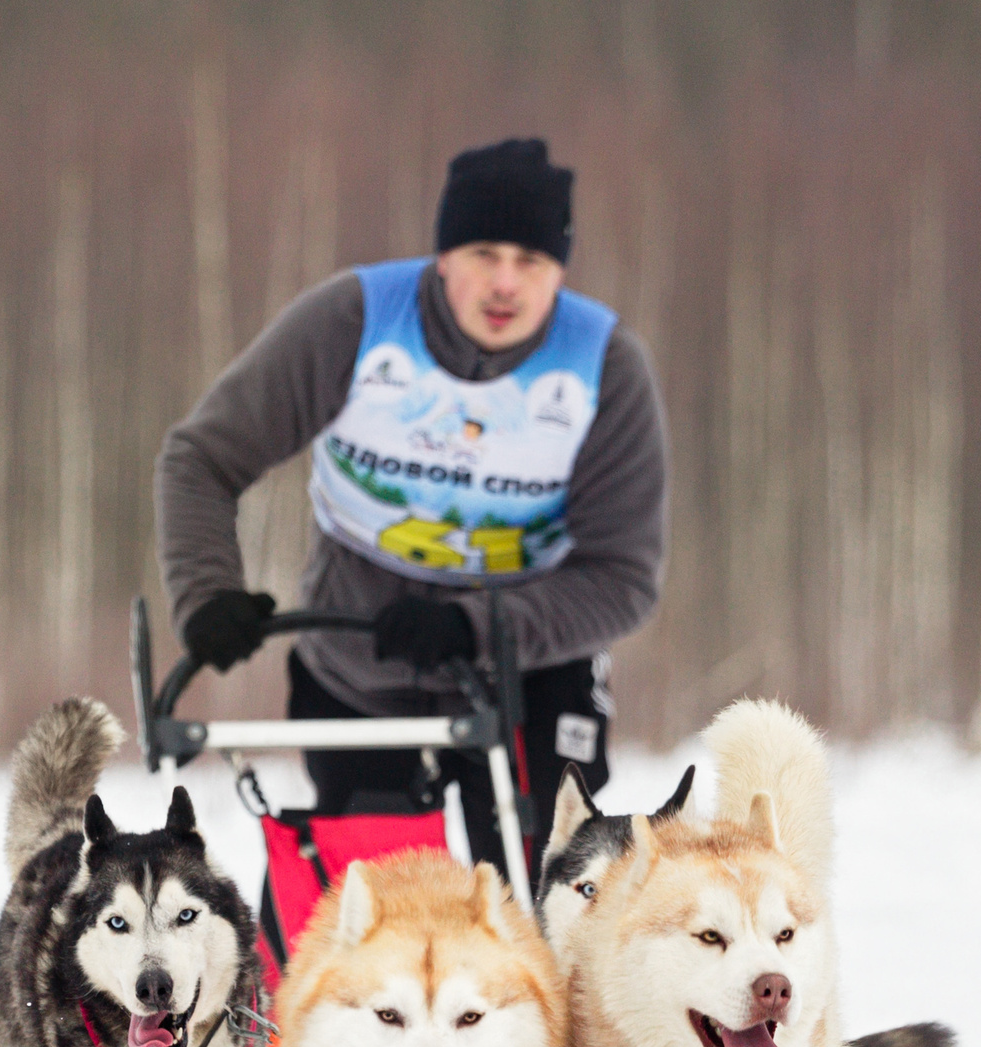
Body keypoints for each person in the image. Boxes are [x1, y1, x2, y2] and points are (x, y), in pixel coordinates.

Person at [158, 137, 667, 871]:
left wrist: (478, 626)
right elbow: (200, 458)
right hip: (360, 659)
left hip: (529, 669)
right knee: (374, 912)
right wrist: (207, 595)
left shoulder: (604, 368)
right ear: (444, 256)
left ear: (560, 271)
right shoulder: (353, 322)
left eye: (530, 261)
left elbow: (624, 579)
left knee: (545, 894)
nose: (505, 284)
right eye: (484, 254)